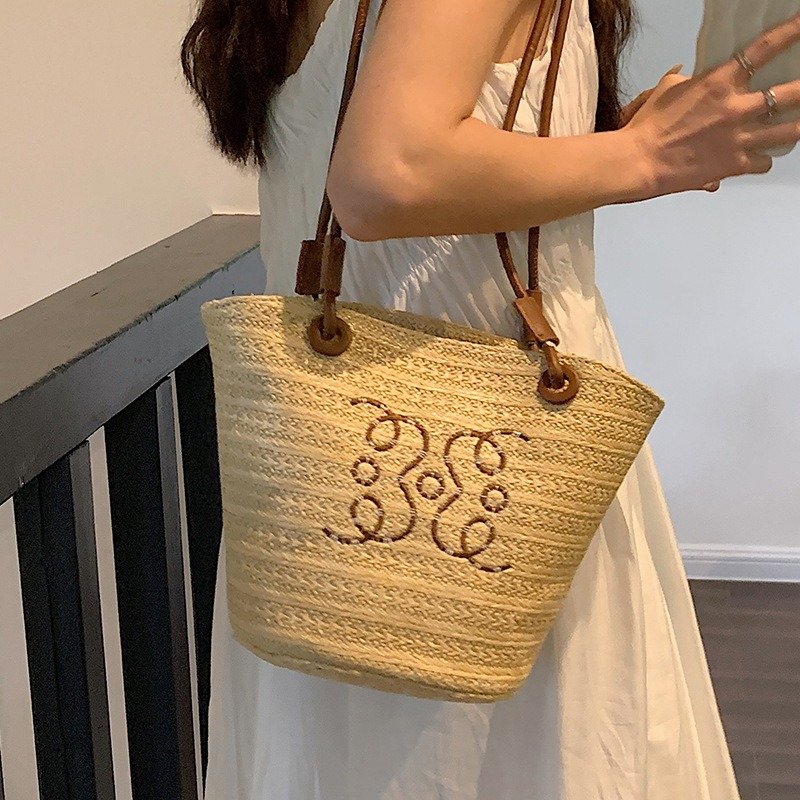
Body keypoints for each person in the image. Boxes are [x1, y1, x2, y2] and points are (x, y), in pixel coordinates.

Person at [181, 1, 800, 797]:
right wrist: (647, 155)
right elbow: (385, 175)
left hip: (332, 476)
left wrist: (613, 135)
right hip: (500, 464)